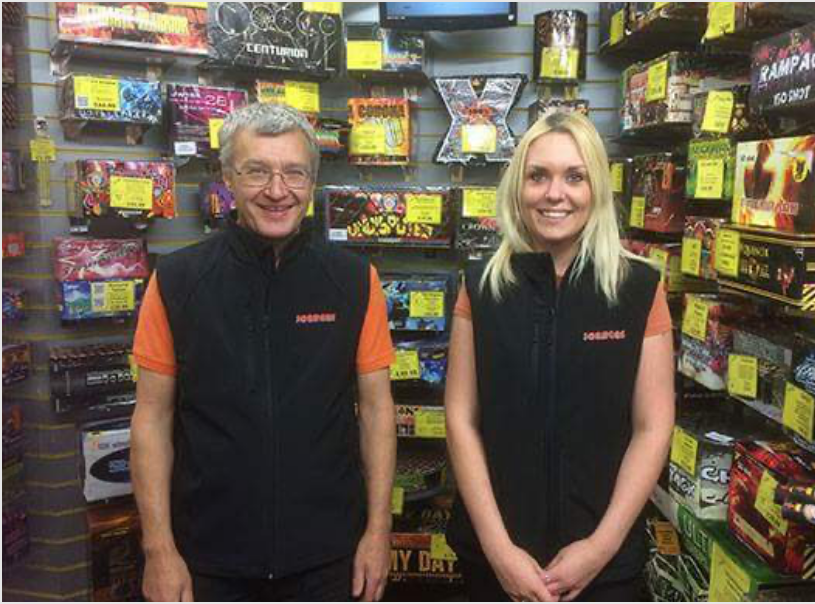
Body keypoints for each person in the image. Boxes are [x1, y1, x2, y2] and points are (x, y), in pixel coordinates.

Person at [130, 103, 397, 602]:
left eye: (294, 173)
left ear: (312, 181)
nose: (278, 191)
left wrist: (378, 533)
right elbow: (151, 418)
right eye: (257, 171)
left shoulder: (356, 281)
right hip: (207, 561)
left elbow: (379, 411)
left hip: (328, 559)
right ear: (227, 178)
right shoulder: (175, 281)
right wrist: (159, 550)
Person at [444, 112, 675, 602]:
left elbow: (653, 427)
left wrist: (600, 546)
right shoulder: (481, 285)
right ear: (517, 187)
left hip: (604, 567)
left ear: (597, 188)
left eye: (575, 176)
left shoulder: (639, 288)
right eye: (538, 176)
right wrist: (499, 550)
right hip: (493, 562)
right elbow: (461, 418)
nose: (555, 194)